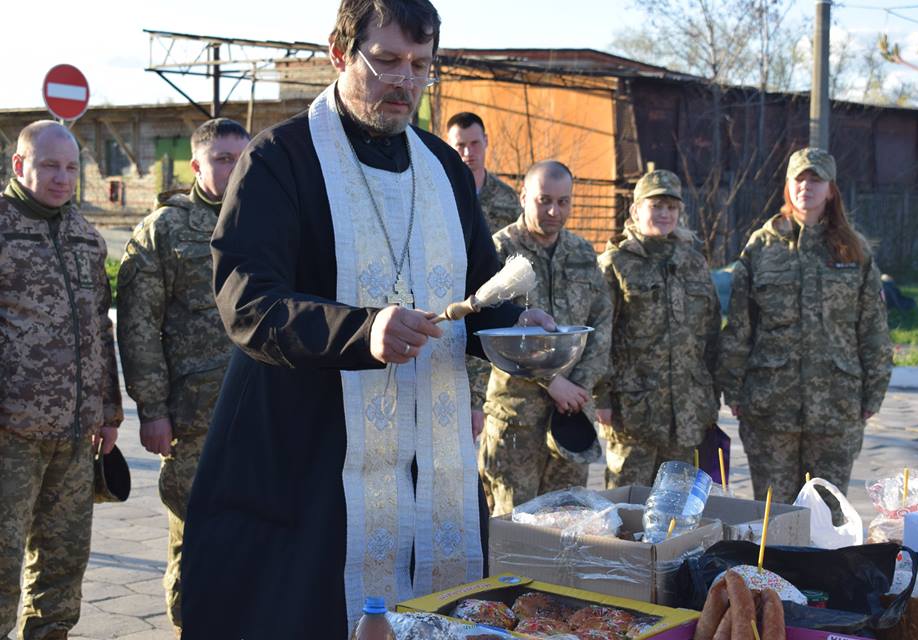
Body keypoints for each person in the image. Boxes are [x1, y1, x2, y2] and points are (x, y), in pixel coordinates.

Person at [178, 2, 554, 638]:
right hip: (311, 453)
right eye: (386, 61)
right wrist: (363, 331)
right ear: (338, 51)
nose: (405, 81)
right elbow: (246, 299)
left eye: (420, 66)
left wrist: (519, 326)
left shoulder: (442, 168)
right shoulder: (279, 159)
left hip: (427, 460)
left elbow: (479, 289)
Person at [116, 117, 250, 635]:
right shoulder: (165, 228)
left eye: (242, 158)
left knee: (256, 533)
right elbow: (138, 325)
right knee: (195, 538)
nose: (234, 168)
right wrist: (151, 410)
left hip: (261, 415)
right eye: (222, 159)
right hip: (195, 420)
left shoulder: (266, 222)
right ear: (196, 165)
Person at [0, 121, 123, 640]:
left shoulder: (84, 237)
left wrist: (109, 412)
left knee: (64, 561)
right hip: (10, 436)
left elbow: (100, 325)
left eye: (71, 167)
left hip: (75, 435)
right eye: (49, 165)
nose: (61, 177)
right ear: (19, 164)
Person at [718, 148, 892, 502]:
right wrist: (732, 388)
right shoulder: (762, 246)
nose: (806, 187)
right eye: (799, 178)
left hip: (836, 406)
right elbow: (739, 325)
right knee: (773, 516)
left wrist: (874, 391)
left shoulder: (852, 249)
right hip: (769, 406)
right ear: (787, 186)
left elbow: (873, 328)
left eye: (816, 179)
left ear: (831, 190)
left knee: (827, 514)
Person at [477, 160, 612, 517]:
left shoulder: (583, 253)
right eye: (544, 200)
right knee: (514, 523)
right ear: (523, 197)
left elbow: (601, 322)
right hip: (517, 418)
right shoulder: (499, 252)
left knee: (567, 524)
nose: (554, 211)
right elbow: (493, 331)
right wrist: (553, 382)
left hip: (570, 417)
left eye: (563, 201)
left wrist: (576, 386)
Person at [597, 170, 721, 488]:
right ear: (636, 210)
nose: (664, 214)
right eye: (656, 206)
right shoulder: (615, 263)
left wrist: (710, 395)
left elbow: (710, 332)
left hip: (686, 411)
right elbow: (599, 335)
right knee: (628, 503)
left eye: (671, 207)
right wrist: (602, 397)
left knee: (676, 508)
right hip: (633, 412)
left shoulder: (693, 263)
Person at [446, 111, 521, 439]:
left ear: (486, 142)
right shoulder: (440, 196)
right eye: (460, 145)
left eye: (475, 143)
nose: (468, 153)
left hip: (496, 323)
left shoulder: (507, 201)